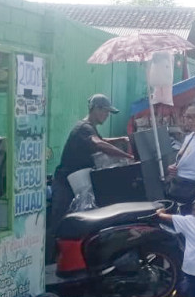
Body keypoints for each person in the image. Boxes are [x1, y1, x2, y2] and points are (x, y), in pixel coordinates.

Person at [49, 94, 134, 262]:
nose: (107, 116)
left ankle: (66, 258)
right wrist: (127, 157)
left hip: (76, 183)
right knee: (59, 224)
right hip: (65, 184)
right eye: (105, 111)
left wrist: (120, 139)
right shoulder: (84, 128)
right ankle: (48, 263)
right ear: (95, 109)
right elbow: (99, 144)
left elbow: (101, 140)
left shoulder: (90, 129)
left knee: (74, 223)